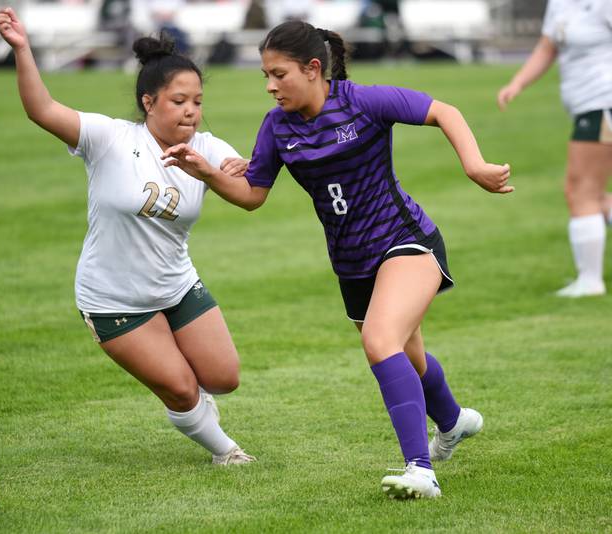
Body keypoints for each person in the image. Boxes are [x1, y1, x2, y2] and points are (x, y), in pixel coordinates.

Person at [162, 20, 511, 498]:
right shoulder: (277, 127)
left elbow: (443, 111)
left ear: (312, 69)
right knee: (407, 355)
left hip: (405, 241)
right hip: (351, 263)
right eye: (265, 74)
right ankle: (453, 422)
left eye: (278, 74)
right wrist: (204, 171)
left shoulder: (362, 101)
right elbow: (251, 195)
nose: (270, 85)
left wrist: (474, 165)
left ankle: (420, 471)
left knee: (380, 339)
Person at [0, 7, 255, 466]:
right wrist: (22, 49)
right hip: (112, 298)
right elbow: (42, 109)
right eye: (178, 101)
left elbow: (250, 195)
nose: (191, 110)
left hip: (175, 286)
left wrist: (210, 173)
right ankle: (225, 451)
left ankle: (199, 404)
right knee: (179, 386)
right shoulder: (108, 138)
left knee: (225, 377)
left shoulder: (208, 148)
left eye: (197, 101)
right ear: (149, 102)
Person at [497, 0, 612, 298]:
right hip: (588, 104)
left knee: (580, 190)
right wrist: (517, 83)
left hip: (602, 101)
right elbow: (548, 46)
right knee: (595, 195)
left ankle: (590, 281)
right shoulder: (560, 2)